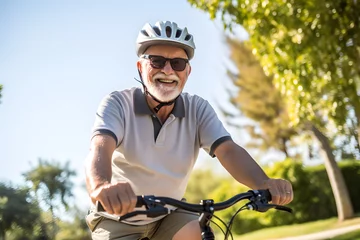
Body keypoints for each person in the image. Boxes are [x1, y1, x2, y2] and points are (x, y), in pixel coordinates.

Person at [85, 20, 294, 240]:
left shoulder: (198, 109)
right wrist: (101, 185)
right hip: (117, 219)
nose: (167, 70)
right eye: (156, 61)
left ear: (188, 71)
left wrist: (264, 183)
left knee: (201, 233)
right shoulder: (118, 104)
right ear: (140, 67)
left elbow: (228, 150)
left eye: (177, 63)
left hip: (170, 215)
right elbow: (100, 147)